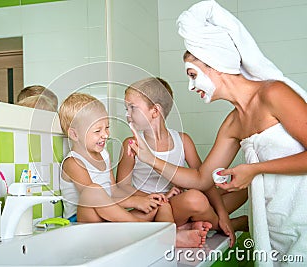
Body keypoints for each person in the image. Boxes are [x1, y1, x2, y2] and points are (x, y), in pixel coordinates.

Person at [128, 0, 307, 262]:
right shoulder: (233, 123)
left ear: (214, 63)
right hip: (274, 226)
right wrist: (149, 158)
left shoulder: (274, 94)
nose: (191, 86)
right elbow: (202, 178)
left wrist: (255, 169)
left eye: (192, 74)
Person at [58, 92, 209, 247]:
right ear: (74, 134)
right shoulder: (73, 162)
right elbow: (94, 199)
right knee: (93, 191)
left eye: (107, 127)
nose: (105, 134)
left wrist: (146, 199)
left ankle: (170, 235)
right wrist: (135, 202)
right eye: (98, 131)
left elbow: (114, 191)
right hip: (83, 222)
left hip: (108, 223)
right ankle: (146, 231)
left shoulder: (103, 155)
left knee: (160, 205)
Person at [116, 77, 242, 242]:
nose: (127, 114)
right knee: (195, 198)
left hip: (176, 204)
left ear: (155, 111)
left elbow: (204, 181)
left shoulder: (182, 141)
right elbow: (122, 187)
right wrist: (153, 197)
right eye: (126, 108)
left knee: (239, 190)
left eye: (132, 108)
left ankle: (201, 221)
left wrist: (223, 213)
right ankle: (225, 224)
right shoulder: (131, 144)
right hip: (153, 209)